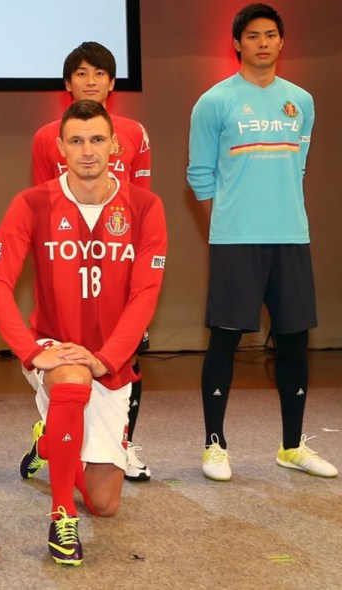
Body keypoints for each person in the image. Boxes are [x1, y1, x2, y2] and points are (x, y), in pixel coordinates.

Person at [0, 100, 167, 565]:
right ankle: (62, 514)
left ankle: (49, 441)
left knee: (105, 504)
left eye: (97, 139)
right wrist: (31, 352)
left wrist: (107, 358)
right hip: (55, 348)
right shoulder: (31, 203)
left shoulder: (145, 207)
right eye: (77, 141)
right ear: (59, 148)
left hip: (110, 358)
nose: (88, 150)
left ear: (115, 146)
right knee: (71, 377)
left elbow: (146, 294)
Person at [187, 3, 336, 481]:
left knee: (293, 341)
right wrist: (226, 224)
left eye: (270, 34)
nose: (263, 43)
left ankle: (292, 446)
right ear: (237, 44)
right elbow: (199, 175)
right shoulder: (214, 102)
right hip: (236, 241)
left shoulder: (301, 101)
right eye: (253, 36)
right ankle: (214, 445)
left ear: (282, 41)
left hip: (291, 236)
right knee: (225, 340)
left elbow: (299, 165)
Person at [26, 41, 155, 482]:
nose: (91, 81)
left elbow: (142, 202)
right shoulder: (46, 137)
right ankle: (55, 437)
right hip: (68, 264)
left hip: (119, 262)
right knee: (67, 363)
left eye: (99, 73)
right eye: (81, 73)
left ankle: (123, 443)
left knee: (126, 353)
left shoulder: (135, 133)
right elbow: (43, 207)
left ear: (113, 82)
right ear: (67, 83)